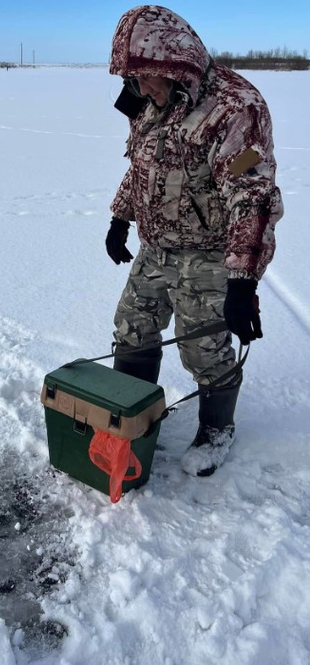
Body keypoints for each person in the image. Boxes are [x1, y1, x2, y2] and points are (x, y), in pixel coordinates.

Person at [104, 6, 283, 477]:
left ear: (174, 67)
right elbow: (142, 165)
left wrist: (242, 281)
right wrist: (120, 218)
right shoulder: (148, 100)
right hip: (155, 245)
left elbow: (253, 196)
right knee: (133, 328)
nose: (138, 90)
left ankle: (218, 428)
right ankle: (133, 418)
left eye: (145, 78)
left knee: (201, 348)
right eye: (132, 79)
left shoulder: (235, 108)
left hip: (207, 252)